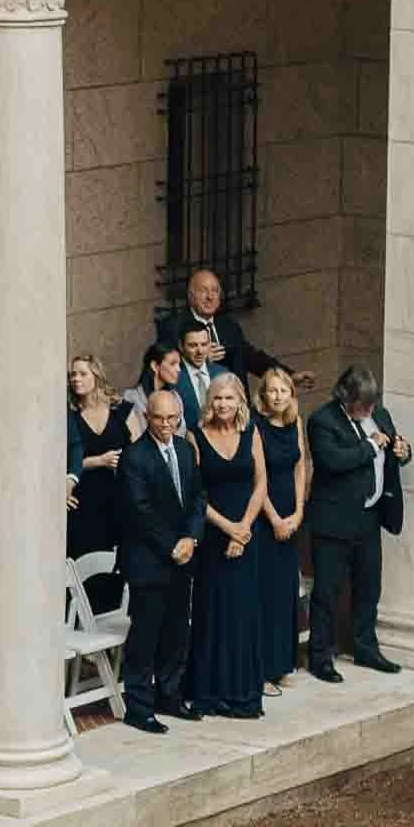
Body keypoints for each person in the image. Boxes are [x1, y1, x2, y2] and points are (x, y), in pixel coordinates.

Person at [306, 363, 410, 681]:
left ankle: (366, 648)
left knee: (369, 587)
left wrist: (403, 451)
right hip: (334, 521)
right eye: (362, 406)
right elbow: (333, 461)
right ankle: (320, 656)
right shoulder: (322, 421)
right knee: (327, 590)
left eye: (371, 405)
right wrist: (370, 445)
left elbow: (393, 447)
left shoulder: (380, 415)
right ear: (344, 398)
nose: (368, 410)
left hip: (369, 516)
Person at [116, 389, 207, 731]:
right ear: (146, 417)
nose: (167, 424)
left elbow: (198, 496)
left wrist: (192, 538)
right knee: (146, 635)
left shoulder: (184, 449)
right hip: (149, 560)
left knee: (176, 631)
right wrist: (173, 545)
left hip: (183, 556)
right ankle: (139, 707)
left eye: (173, 418)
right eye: (159, 418)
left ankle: (170, 695)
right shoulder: (134, 457)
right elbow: (141, 512)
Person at [187, 373, 269, 720]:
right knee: (213, 611)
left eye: (229, 398)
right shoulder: (195, 436)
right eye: (217, 398)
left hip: (247, 536)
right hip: (212, 535)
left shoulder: (251, 433)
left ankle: (243, 693)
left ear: (240, 402)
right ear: (210, 401)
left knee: (243, 613)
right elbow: (195, 494)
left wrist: (244, 530)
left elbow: (261, 483)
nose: (223, 404)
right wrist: (228, 529)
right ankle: (211, 692)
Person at [254, 365, 311, 691]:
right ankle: (263, 670)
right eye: (272, 390)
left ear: (291, 395)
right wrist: (275, 518)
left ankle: (283, 663)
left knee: (286, 592)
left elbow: (301, 466)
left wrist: (299, 511)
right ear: (263, 395)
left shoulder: (294, 423)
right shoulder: (257, 427)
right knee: (266, 594)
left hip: (291, 516)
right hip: (266, 518)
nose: (278, 396)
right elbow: (257, 477)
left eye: (283, 391)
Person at [162, 265, 304, 389]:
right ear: (191, 295)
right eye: (203, 291)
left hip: (235, 406)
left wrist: (289, 375)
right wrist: (199, 362)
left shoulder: (228, 325)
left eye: (215, 291)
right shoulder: (174, 327)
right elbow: (164, 369)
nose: (210, 297)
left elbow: (252, 358)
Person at [66, 358, 123, 609]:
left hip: (115, 497)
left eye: (82, 374)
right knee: (84, 557)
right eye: (72, 375)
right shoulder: (69, 416)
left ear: (96, 376)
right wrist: (98, 461)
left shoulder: (121, 410)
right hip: (83, 499)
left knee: (113, 561)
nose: (76, 379)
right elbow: (64, 461)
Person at [174, 323, 219, 430]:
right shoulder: (172, 378)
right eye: (193, 345)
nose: (200, 351)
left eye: (204, 344)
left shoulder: (222, 373)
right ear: (181, 346)